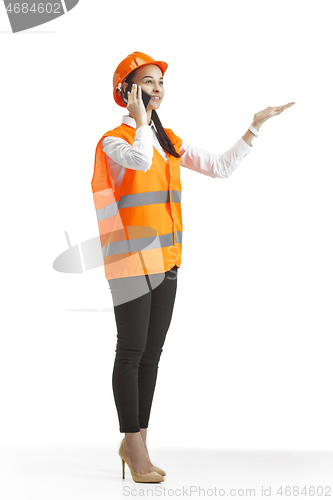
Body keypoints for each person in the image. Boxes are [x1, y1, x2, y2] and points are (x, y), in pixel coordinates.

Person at [91, 51, 295, 483]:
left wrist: (254, 125)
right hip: (130, 261)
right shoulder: (114, 140)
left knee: (151, 356)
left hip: (167, 259)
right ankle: (133, 443)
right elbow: (139, 161)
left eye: (160, 82)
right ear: (126, 91)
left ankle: (138, 441)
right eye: (147, 82)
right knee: (130, 353)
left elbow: (220, 168)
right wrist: (140, 119)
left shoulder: (168, 141)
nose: (158, 88)